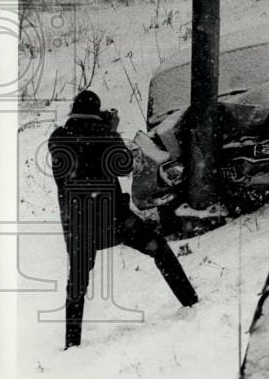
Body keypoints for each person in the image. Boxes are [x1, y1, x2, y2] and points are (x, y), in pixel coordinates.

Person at [48, 90, 198, 350]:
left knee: (78, 282)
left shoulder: (59, 138)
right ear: (97, 112)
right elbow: (124, 166)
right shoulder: (104, 135)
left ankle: (72, 344)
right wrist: (110, 130)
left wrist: (100, 129)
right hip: (113, 218)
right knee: (159, 249)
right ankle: (191, 302)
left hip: (77, 223)